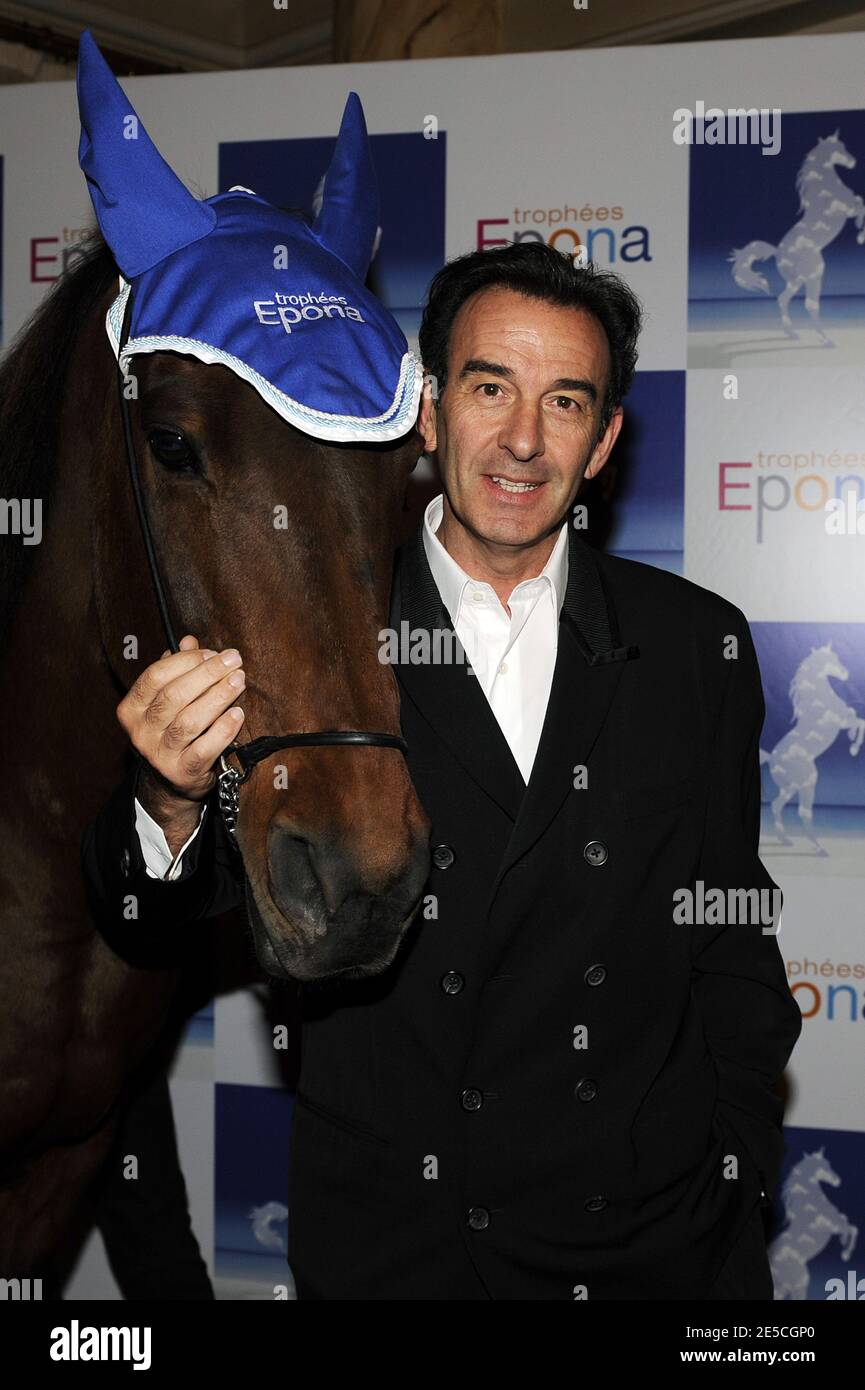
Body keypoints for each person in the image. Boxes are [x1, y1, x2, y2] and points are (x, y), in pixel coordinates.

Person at [82, 242, 801, 1301]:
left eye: (564, 402)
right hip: (400, 1256)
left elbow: (730, 936)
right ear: (426, 412)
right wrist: (168, 799)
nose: (521, 439)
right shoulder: (314, 624)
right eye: (488, 388)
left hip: (649, 1250)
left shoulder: (694, 645)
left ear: (602, 441)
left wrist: (731, 1177)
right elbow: (152, 929)